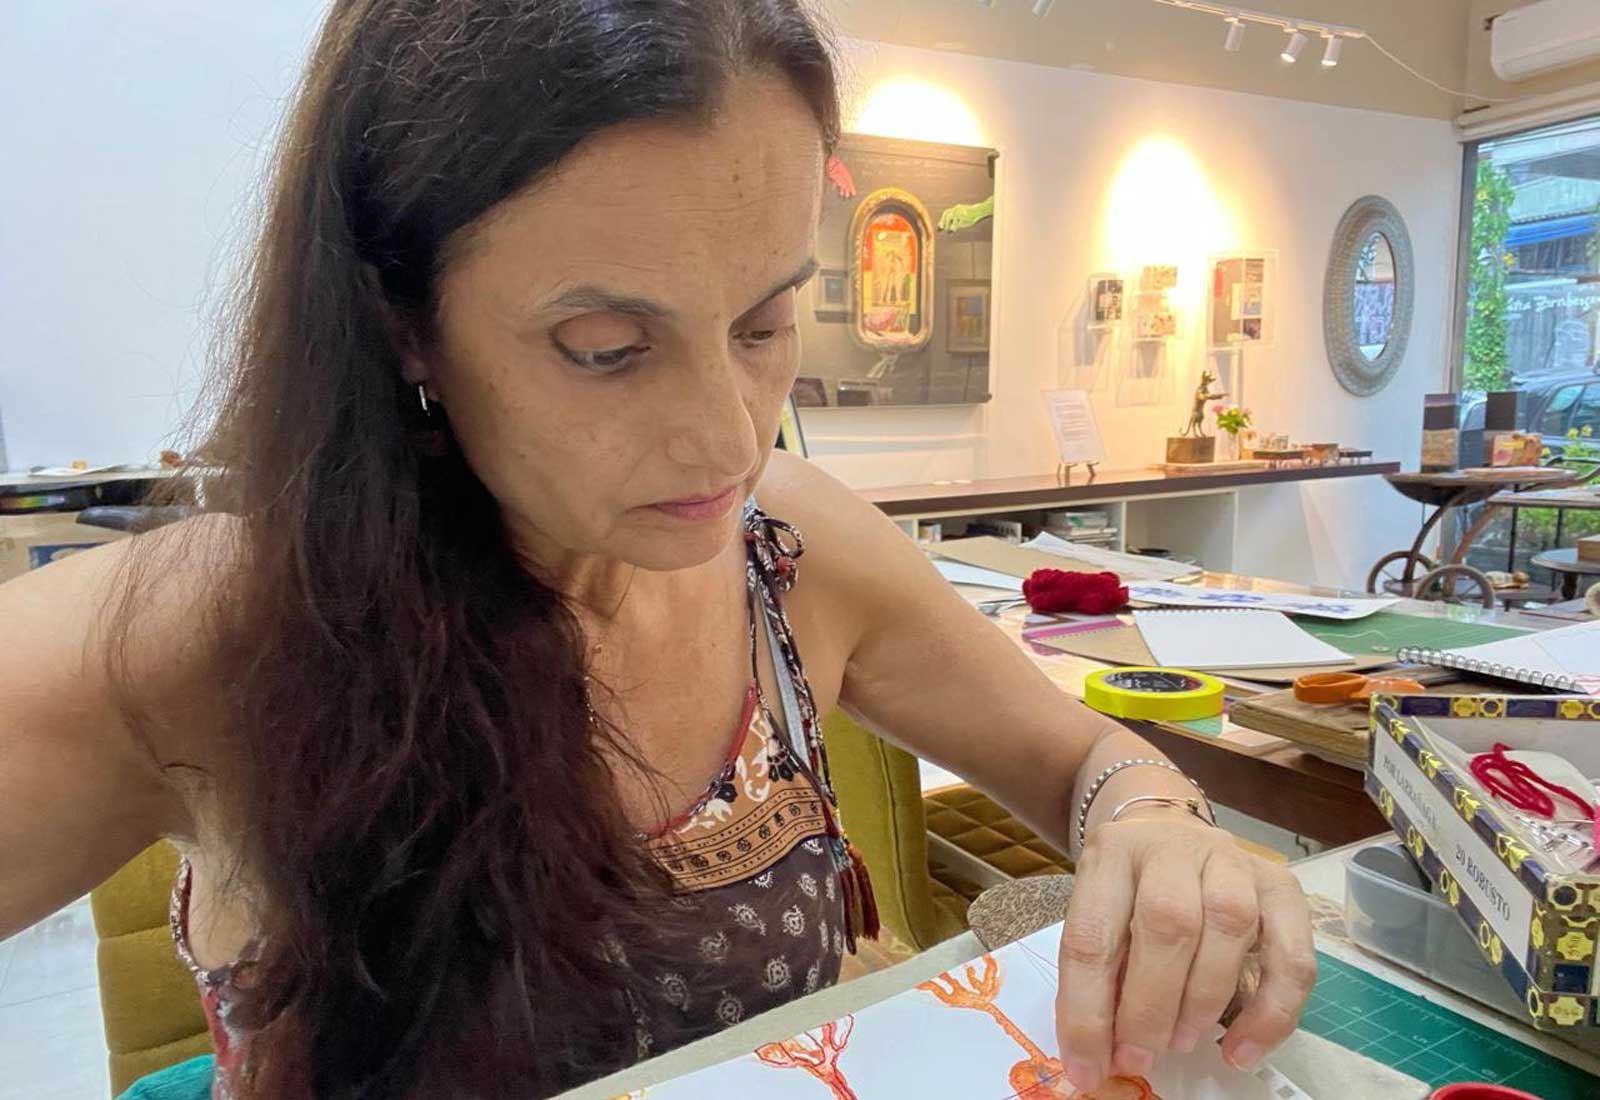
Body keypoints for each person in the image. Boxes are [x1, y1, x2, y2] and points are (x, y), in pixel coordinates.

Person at [0, 1, 1315, 1097]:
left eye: (765, 323)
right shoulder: (230, 625)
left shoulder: (790, 550)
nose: (727, 440)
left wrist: (1156, 823)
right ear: (401, 321)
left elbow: (1089, 761)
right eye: (608, 349)